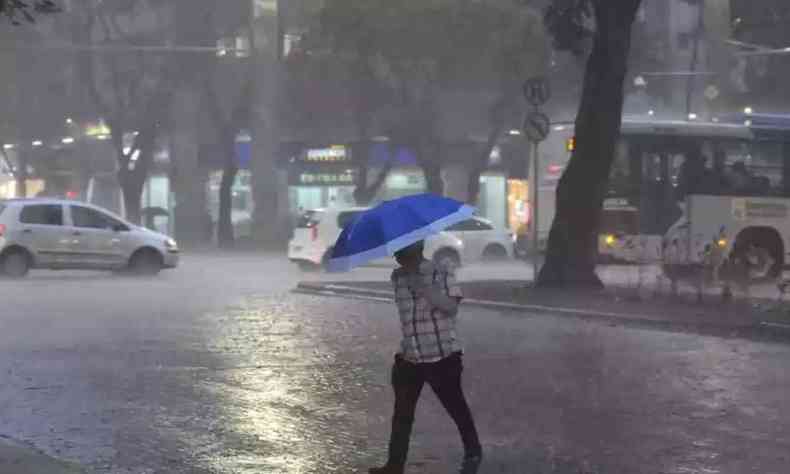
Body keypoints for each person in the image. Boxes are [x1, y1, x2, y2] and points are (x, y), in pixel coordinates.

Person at [369, 240, 482, 474]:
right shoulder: (397, 278)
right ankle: (394, 465)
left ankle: (473, 451)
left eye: (402, 250)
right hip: (409, 358)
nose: (396, 255)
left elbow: (451, 307)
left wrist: (424, 287)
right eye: (395, 251)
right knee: (402, 415)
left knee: (456, 407)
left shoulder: (443, 271)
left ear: (417, 248)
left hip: (442, 356)